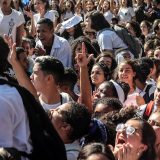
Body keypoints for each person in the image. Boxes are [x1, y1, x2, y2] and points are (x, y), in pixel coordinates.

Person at [0, 35, 67, 159]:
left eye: (35, 74)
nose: (31, 77)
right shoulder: (18, 94)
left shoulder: (7, 97)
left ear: (49, 78)